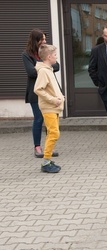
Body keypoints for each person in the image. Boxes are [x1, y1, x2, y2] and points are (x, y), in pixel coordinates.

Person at [22, 28, 60, 158]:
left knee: (51, 121)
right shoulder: (27, 54)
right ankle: (37, 147)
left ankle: (48, 148)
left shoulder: (46, 52)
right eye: (42, 39)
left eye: (45, 38)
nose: (44, 41)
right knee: (39, 119)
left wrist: (42, 66)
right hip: (35, 93)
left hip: (49, 92)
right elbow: (31, 72)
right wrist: (44, 66)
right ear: (35, 40)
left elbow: (57, 66)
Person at [33, 44, 64, 173]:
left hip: (54, 107)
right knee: (54, 133)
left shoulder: (48, 70)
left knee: (53, 133)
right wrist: (53, 100)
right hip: (49, 108)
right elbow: (38, 89)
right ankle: (46, 162)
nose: (56, 57)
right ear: (49, 57)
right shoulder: (43, 71)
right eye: (55, 55)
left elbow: (50, 88)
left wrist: (60, 97)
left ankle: (48, 159)